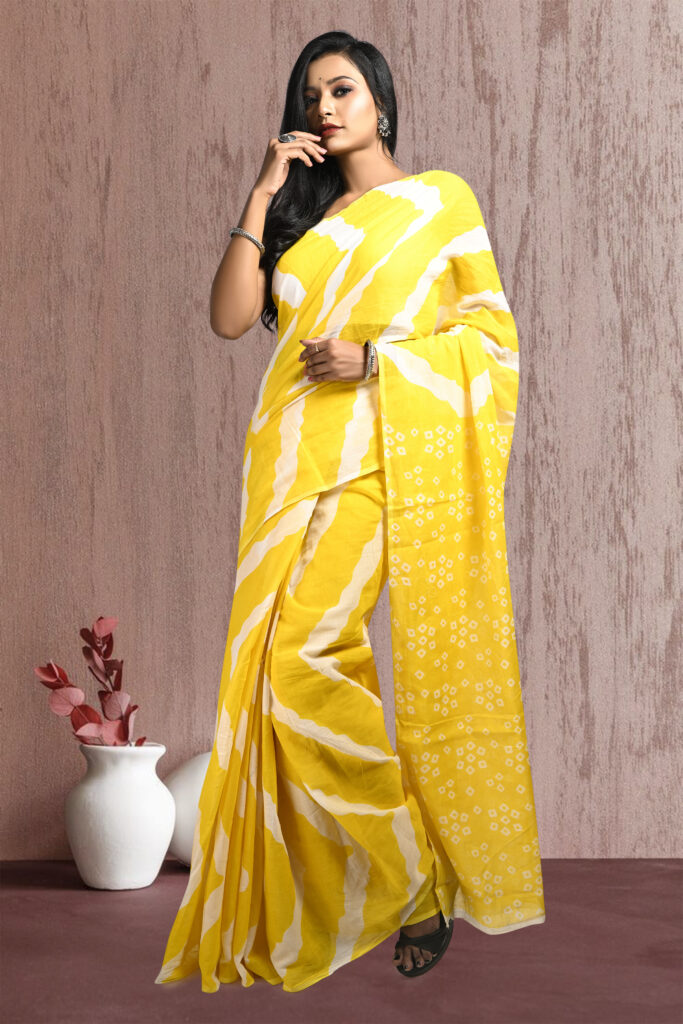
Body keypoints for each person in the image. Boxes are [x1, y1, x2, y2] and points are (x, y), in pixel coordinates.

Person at [154, 30, 546, 995]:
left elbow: (492, 343)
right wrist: (261, 194)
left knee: (305, 659)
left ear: (380, 101)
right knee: (279, 673)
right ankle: (409, 873)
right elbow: (231, 319)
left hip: (376, 461)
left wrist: (377, 362)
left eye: (341, 90)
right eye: (310, 96)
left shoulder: (438, 202)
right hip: (286, 465)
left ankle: (409, 869)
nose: (324, 108)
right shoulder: (304, 225)